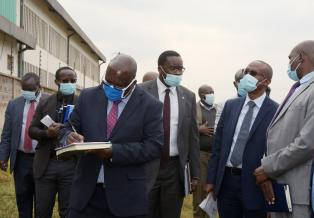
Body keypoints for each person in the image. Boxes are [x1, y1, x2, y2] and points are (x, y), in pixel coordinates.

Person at [60, 54, 163, 218]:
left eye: (118, 87)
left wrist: (114, 152)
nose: (110, 89)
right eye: (107, 82)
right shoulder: (87, 97)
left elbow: (154, 147)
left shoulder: (151, 106)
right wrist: (68, 137)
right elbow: (67, 127)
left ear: (132, 84)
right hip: (86, 194)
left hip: (127, 198)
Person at [254, 40, 314, 218]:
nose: (289, 64)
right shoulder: (301, 88)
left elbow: (309, 143)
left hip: (300, 191)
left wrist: (268, 167)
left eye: (290, 59)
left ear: (300, 57)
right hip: (284, 186)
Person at [206, 60, 278, 218]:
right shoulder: (230, 106)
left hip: (256, 183)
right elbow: (217, 146)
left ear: (266, 81)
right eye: (246, 72)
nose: (247, 76)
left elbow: (277, 151)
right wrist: (211, 180)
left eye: (253, 73)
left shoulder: (276, 111)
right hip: (226, 182)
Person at [140, 50, 200, 218]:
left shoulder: (188, 96)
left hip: (174, 169)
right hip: (146, 165)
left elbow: (193, 137)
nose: (178, 72)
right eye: (173, 68)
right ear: (160, 69)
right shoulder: (141, 92)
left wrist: (195, 174)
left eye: (181, 68)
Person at [29, 66, 78, 218]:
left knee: (68, 211)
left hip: (71, 165)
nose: (70, 83)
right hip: (47, 165)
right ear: (57, 82)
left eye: (73, 81)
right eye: (65, 81)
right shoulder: (45, 102)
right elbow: (32, 130)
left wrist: (71, 132)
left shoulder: (82, 103)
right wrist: (47, 133)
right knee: (42, 210)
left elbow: (89, 131)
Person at [0, 73, 47, 218]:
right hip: (21, 160)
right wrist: (3, 156)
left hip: (42, 159)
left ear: (38, 87)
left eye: (30, 89)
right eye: (24, 89)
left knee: (42, 202)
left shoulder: (49, 102)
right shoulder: (14, 105)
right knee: (23, 199)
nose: (27, 92)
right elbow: (6, 134)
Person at [192, 85, 217, 218]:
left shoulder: (217, 109)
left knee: (212, 191)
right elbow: (185, 129)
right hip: (200, 156)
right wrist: (198, 129)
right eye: (208, 93)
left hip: (215, 157)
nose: (211, 94)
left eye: (212, 92)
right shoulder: (194, 109)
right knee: (200, 191)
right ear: (201, 95)